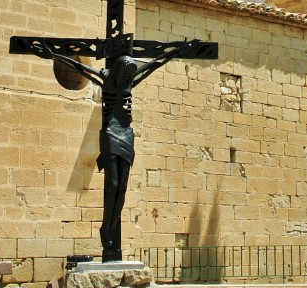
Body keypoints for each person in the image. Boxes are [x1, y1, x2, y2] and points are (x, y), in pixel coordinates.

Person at [30, 41, 198, 262]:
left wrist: (176, 52)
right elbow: (82, 69)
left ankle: (110, 226)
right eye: (126, 69)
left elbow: (154, 65)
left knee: (123, 188)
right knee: (114, 184)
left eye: (131, 71)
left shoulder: (130, 81)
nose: (129, 74)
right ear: (119, 68)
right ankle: (106, 229)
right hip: (109, 133)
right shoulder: (106, 78)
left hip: (127, 135)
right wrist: (53, 55)